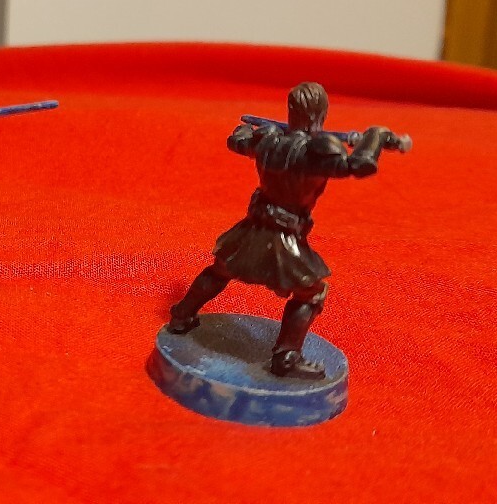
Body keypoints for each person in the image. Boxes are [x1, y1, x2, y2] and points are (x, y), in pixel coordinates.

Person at [169, 82, 405, 379]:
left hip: (254, 227)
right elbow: (360, 165)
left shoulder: (269, 142)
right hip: (282, 236)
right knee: (312, 292)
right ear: (320, 115)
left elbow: (237, 141)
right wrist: (376, 135)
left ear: (291, 111)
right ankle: (287, 356)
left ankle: (182, 314)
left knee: (221, 269)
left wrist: (245, 130)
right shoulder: (316, 153)